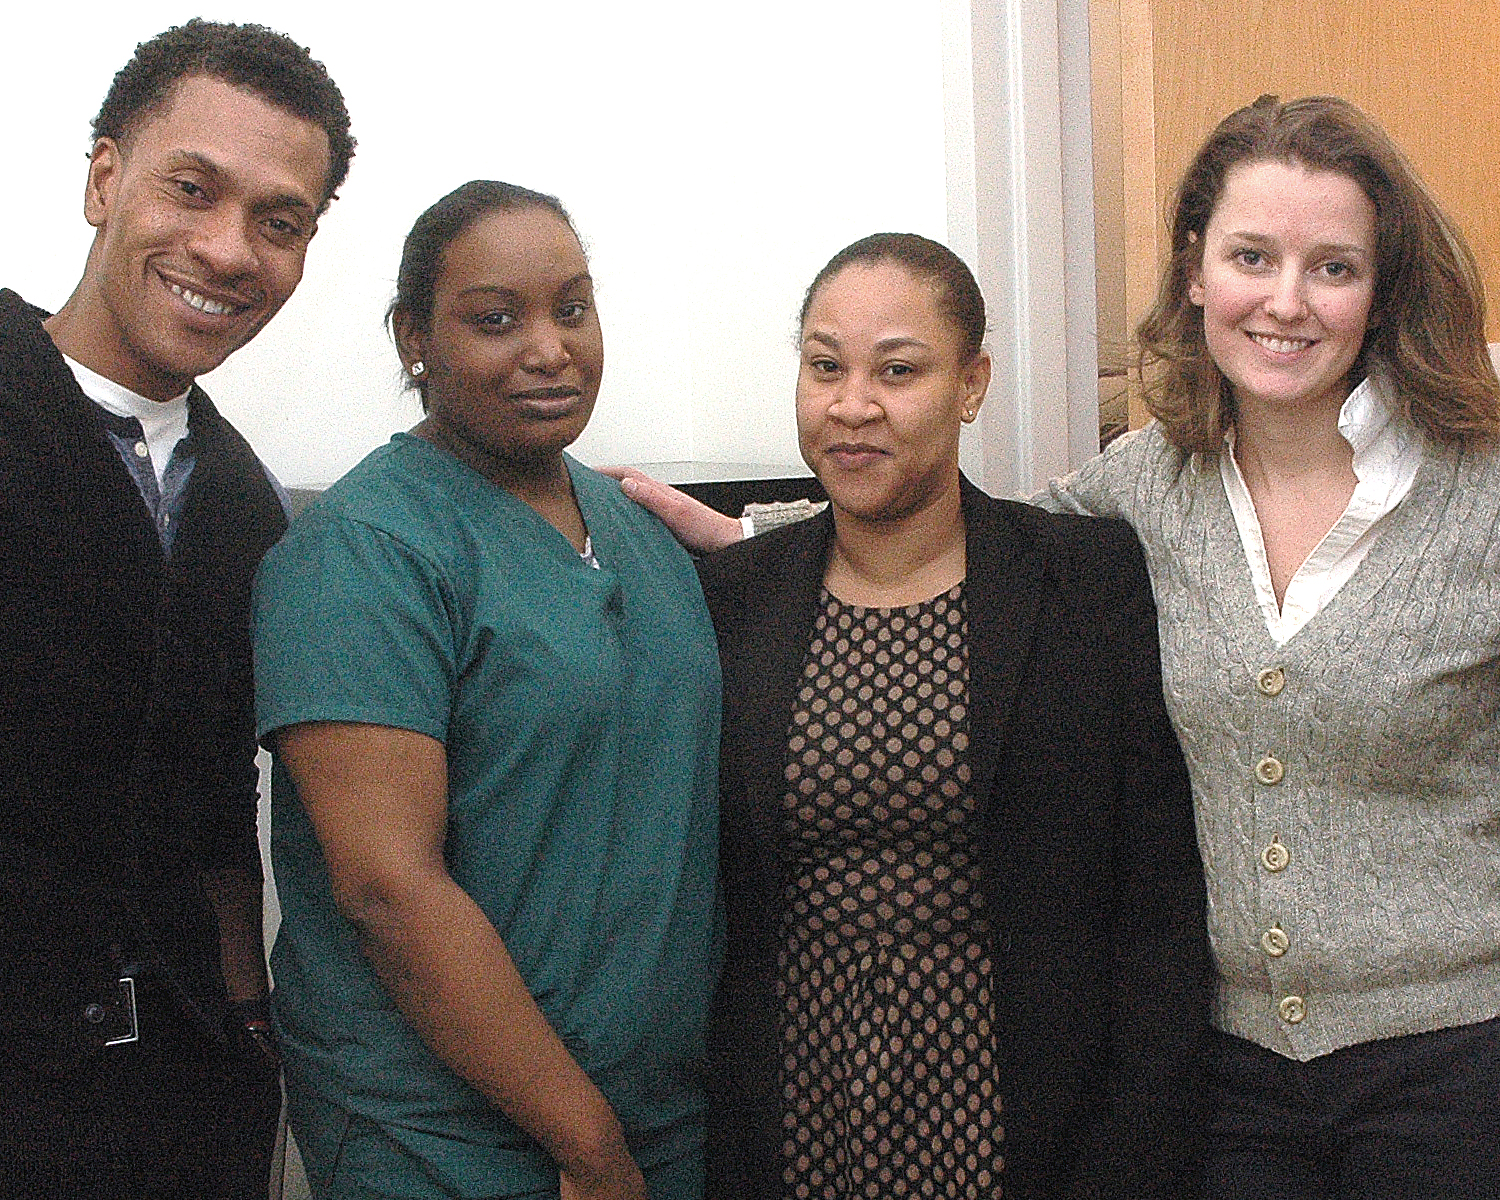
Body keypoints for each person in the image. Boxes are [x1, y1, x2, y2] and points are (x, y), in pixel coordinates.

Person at [618, 97, 1500, 1199]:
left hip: (1458, 1059)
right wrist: (751, 539)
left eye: (1332, 268)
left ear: (1382, 291)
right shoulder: (1146, 483)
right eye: (1250, 256)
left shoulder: (1480, 488)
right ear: (1193, 274)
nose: (1284, 301)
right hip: (1234, 1077)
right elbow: (964, 541)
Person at [691, 233, 1210, 1200]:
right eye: (824, 368)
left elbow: (1159, 908)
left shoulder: (1084, 582)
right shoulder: (733, 603)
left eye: (899, 370)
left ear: (970, 384)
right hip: (791, 1097)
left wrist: (1138, 1144)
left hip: (1030, 1107)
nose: (853, 406)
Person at [252, 181, 720, 1200]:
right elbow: (387, 891)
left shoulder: (638, 530)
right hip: (447, 1141)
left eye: (573, 307)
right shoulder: (362, 554)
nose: (549, 348)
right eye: (495, 319)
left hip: (660, 1120)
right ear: (415, 339)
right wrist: (588, 1146)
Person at [0, 19, 354, 1199]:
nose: (227, 249)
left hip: (174, 1106)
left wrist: (246, 1041)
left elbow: (214, 810)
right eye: (191, 188)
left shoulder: (244, 503)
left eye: (280, 221)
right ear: (104, 180)